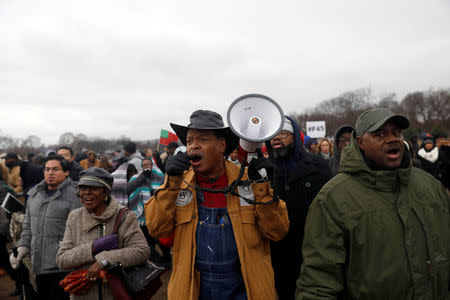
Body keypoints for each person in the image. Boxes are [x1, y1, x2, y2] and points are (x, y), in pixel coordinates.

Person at [296, 108, 450, 299]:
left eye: (396, 133)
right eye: (380, 134)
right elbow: (318, 283)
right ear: (360, 142)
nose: (392, 139)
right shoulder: (332, 199)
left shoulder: (431, 187)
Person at [145, 110, 289, 299]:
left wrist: (262, 186)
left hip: (244, 290)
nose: (193, 147)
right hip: (195, 290)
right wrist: (171, 183)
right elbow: (157, 229)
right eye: (189, 141)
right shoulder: (177, 183)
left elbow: (277, 231)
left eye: (202, 140)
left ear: (222, 145)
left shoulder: (248, 180)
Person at [56, 167, 149, 300]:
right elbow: (62, 260)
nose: (87, 193)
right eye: (82, 188)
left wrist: (104, 260)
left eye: (93, 188)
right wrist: (92, 248)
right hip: (83, 295)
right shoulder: (74, 217)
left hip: (116, 294)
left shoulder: (124, 216)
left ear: (106, 192)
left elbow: (141, 251)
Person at [268, 116, 332, 300]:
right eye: (273, 134)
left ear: (295, 136)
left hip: (313, 247)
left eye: (283, 133)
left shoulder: (318, 165)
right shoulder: (265, 169)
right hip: (279, 252)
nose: (276, 138)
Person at [10, 154, 81, 299]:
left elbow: (80, 231)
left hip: (63, 267)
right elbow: (28, 225)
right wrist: (23, 246)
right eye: (47, 169)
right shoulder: (35, 194)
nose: (50, 173)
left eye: (55, 169)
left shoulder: (76, 196)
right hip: (38, 264)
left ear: (66, 172)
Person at [126, 157, 167, 264]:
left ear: (152, 165)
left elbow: (166, 192)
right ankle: (154, 260)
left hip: (156, 214)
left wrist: (157, 193)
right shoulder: (136, 177)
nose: (147, 166)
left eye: (149, 164)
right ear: (141, 167)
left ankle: (167, 259)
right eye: (144, 165)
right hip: (141, 217)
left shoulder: (160, 176)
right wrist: (141, 178)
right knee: (147, 241)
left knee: (160, 239)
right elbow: (128, 189)